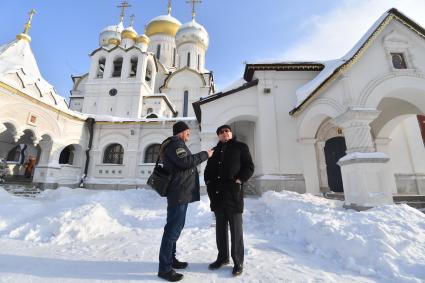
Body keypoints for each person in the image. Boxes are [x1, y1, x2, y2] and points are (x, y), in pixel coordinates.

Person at [158, 121, 214, 282]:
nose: (189, 134)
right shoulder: (176, 144)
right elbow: (186, 162)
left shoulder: (177, 144)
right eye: (187, 131)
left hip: (180, 191)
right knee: (172, 230)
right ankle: (165, 268)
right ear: (181, 132)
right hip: (178, 192)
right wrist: (205, 154)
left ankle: (171, 260)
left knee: (175, 228)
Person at [204, 125, 254, 276]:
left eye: (227, 131)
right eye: (221, 132)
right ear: (218, 135)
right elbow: (207, 171)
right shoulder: (214, 150)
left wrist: (240, 179)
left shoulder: (241, 147)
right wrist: (208, 183)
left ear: (231, 133)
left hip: (233, 194)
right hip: (218, 195)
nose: (224, 133)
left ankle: (238, 261)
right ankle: (222, 257)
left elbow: (249, 166)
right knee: (220, 229)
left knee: (236, 230)